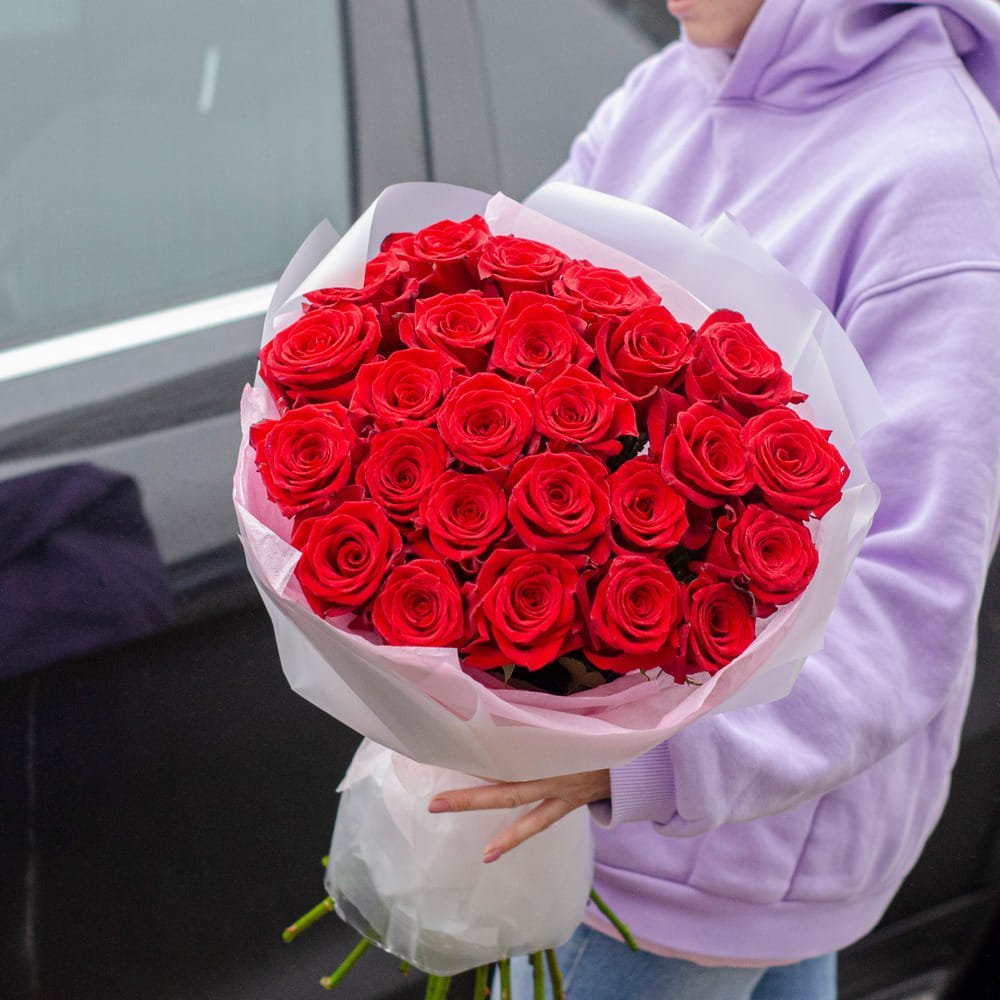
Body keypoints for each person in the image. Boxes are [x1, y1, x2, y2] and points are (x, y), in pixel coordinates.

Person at [427, 0, 1000, 996]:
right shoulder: (664, 89)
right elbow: (506, 304)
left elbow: (913, 583)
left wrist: (655, 758)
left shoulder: (936, 176)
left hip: (704, 842)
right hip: (609, 804)